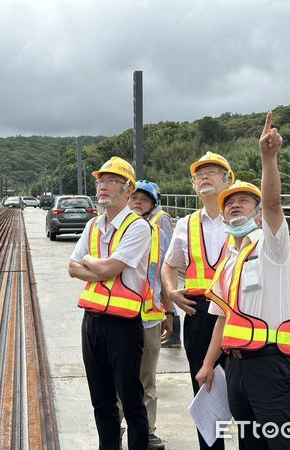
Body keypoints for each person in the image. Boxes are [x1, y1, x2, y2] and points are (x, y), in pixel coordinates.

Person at [197, 112, 290, 449]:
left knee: (284, 445)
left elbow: (274, 202)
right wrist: (207, 364)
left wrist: (268, 157)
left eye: (243, 200)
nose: (233, 206)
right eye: (229, 202)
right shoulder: (231, 259)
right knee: (250, 446)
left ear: (257, 213)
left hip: (271, 366)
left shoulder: (271, 246)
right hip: (237, 368)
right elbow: (221, 318)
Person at [68, 156, 150, 450]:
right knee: (101, 400)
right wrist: (98, 265)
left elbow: (102, 270)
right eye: (101, 181)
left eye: (111, 180)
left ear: (128, 190)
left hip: (123, 325)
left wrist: (90, 260)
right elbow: (71, 268)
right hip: (91, 322)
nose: (103, 186)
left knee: (130, 400)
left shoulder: (137, 227)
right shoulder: (92, 225)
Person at [161, 151, 235, 450]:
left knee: (242, 390)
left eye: (212, 171)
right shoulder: (187, 224)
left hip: (237, 315)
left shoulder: (242, 218)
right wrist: (172, 291)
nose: (204, 177)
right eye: (198, 174)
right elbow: (169, 264)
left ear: (228, 180)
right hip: (198, 313)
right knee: (204, 388)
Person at [125, 180, 174, 450]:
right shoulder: (115, 225)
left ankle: (148, 431)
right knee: (119, 378)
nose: (137, 202)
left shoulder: (159, 224)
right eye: (134, 198)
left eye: (144, 199)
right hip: (120, 316)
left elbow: (164, 272)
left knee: (147, 379)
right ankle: (118, 428)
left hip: (150, 316)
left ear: (153, 203)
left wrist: (169, 311)